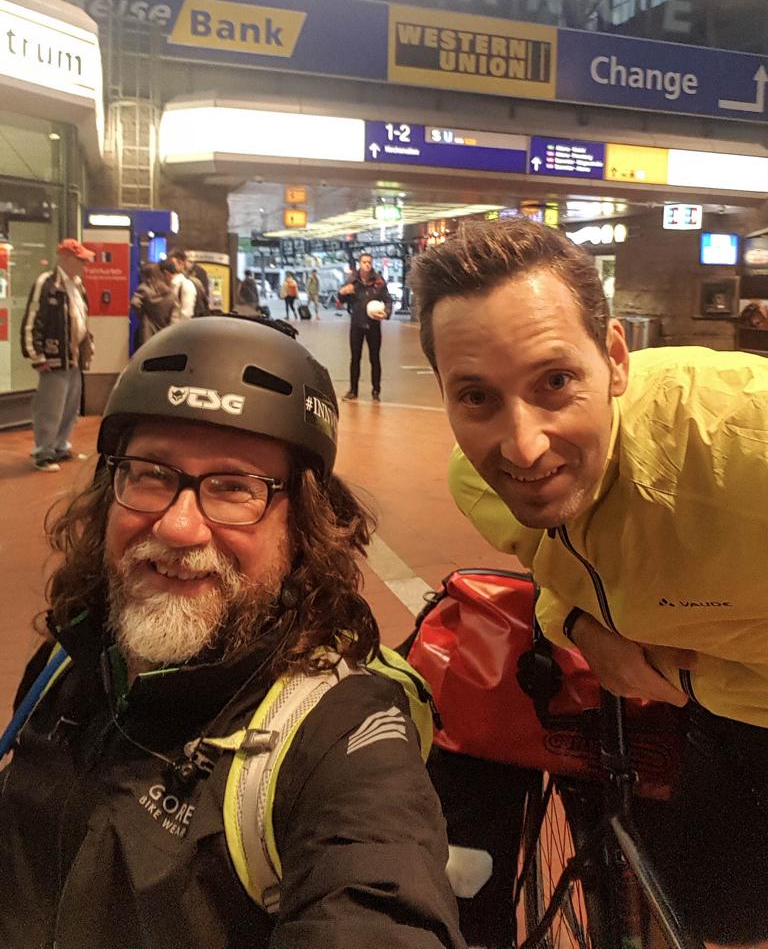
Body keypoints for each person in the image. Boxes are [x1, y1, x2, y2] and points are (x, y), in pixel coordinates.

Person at [0, 315, 464, 949]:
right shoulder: (67, 657)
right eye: (151, 474)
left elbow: (380, 897)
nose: (178, 527)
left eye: (233, 488)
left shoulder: (339, 734)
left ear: (301, 524)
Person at [409, 218, 768, 949]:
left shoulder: (746, 448)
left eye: (556, 382)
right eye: (476, 396)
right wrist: (575, 625)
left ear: (614, 361)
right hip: (716, 714)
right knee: (708, 912)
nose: (524, 447)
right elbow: (551, 560)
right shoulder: (477, 481)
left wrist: (684, 677)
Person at [20, 238, 95, 472]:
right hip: (54, 357)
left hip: (72, 357)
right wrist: (36, 354)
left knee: (70, 406)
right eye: (80, 260)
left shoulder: (77, 285)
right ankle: (43, 452)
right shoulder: (47, 282)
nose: (85, 265)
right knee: (50, 406)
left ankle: (60, 446)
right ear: (66, 258)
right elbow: (33, 318)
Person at [339, 253, 392, 402]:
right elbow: (342, 299)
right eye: (364, 262)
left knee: (375, 359)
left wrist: (386, 312)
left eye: (369, 262)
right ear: (359, 264)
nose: (367, 264)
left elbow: (388, 300)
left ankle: (376, 391)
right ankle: (353, 390)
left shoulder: (379, 282)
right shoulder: (352, 281)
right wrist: (342, 293)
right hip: (356, 325)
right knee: (355, 358)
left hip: (374, 326)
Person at [130, 262, 178, 346]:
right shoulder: (171, 294)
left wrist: (142, 314)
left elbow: (134, 303)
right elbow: (174, 318)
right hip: (164, 336)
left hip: (146, 334)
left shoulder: (143, 289)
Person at [168, 246, 210, 315]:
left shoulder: (199, 272)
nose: (172, 268)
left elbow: (204, 296)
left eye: (173, 264)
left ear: (181, 262)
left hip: (196, 314)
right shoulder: (180, 275)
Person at [160, 255, 197, 320]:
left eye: (160, 276)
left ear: (166, 273)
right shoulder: (171, 285)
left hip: (179, 328)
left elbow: (187, 314)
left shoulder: (186, 285)